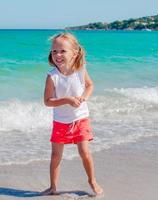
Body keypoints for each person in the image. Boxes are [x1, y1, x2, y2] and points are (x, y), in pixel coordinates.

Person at [42, 32, 103, 196]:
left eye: (62, 51)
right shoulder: (52, 76)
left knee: (84, 152)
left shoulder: (80, 70)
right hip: (61, 121)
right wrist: (67, 100)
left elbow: (90, 86)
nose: (57, 55)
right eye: (54, 51)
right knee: (56, 155)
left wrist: (83, 97)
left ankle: (92, 180)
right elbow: (47, 101)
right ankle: (53, 186)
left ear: (74, 53)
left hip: (80, 118)